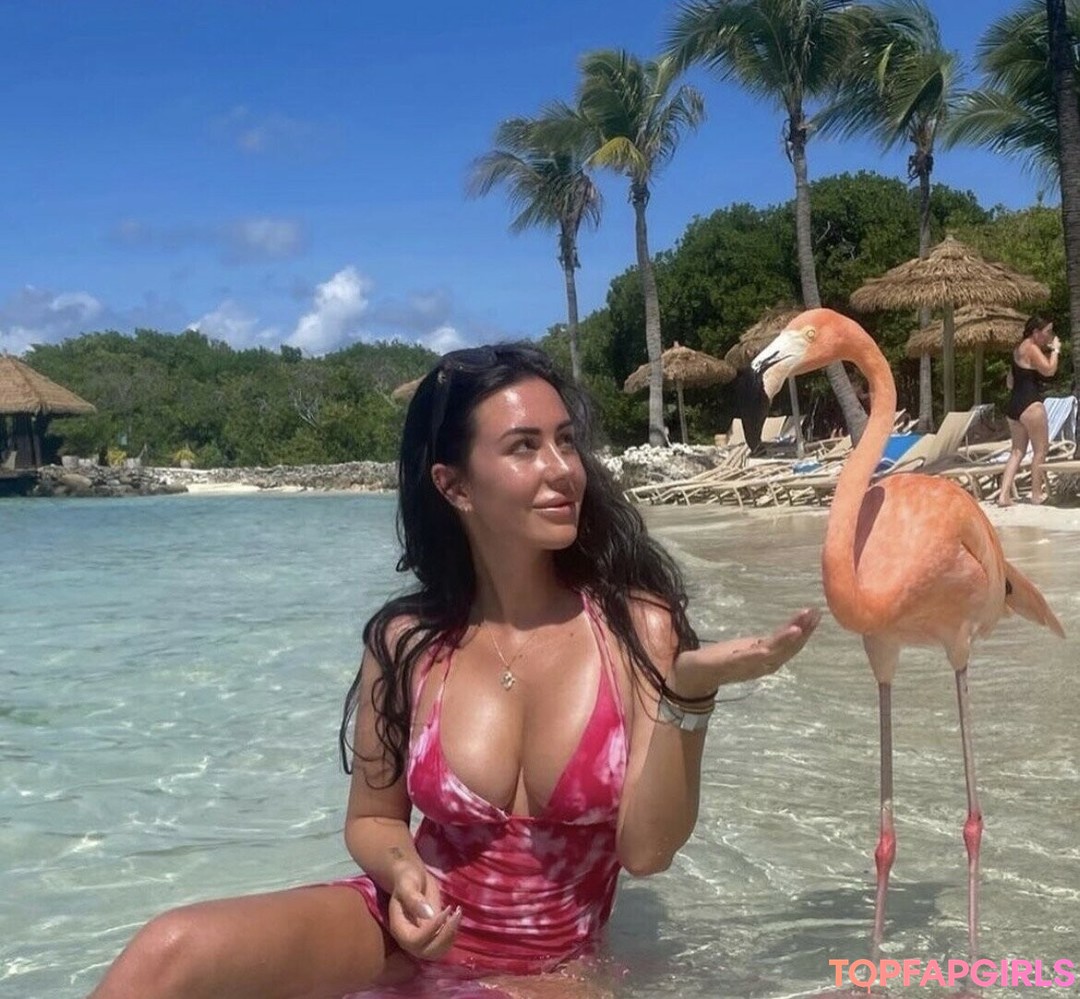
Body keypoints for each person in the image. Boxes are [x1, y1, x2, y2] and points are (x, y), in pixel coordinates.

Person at [89, 344, 819, 999]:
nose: (563, 469)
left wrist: (690, 694)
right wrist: (403, 874)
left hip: (550, 970)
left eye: (566, 440)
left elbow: (648, 852)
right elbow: (374, 818)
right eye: (525, 446)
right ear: (455, 485)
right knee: (168, 952)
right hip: (404, 930)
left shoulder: (635, 628)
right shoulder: (407, 640)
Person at [998, 315, 1062, 506]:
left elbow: (1010, 383)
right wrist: (1055, 350)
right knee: (1040, 450)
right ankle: (1036, 494)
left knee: (1017, 452)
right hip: (1031, 404)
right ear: (1035, 332)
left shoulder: (1017, 349)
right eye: (1047, 332)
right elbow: (1049, 370)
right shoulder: (1032, 348)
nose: (1049, 336)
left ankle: (1003, 495)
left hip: (1014, 405)